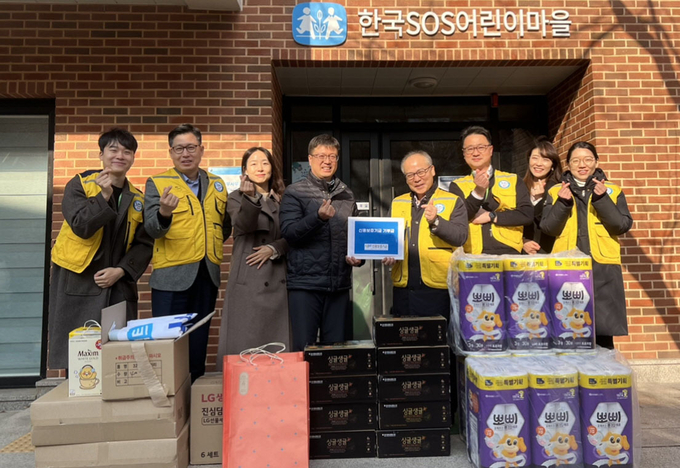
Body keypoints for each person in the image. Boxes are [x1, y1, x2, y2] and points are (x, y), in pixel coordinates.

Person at [48, 128, 153, 370]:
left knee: (117, 359)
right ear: (101, 154)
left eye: (127, 151)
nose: (120, 156)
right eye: (113, 150)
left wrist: (122, 270)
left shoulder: (137, 198)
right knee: (80, 360)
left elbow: (145, 243)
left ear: (133, 158)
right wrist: (103, 196)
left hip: (117, 284)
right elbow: (81, 225)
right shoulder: (80, 184)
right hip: (80, 280)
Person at [144, 124, 232, 381]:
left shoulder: (217, 184)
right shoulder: (158, 183)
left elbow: (223, 226)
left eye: (191, 147)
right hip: (171, 277)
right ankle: (169, 397)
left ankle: (194, 392)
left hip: (207, 274)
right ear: (171, 153)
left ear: (201, 150)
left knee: (198, 342)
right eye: (179, 149)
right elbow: (151, 229)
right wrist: (164, 213)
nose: (185, 154)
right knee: (167, 344)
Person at [540, 141, 633, 349]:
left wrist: (602, 199)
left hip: (602, 267)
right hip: (567, 268)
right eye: (576, 160)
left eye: (588, 159)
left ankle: (604, 368)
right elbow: (548, 228)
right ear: (568, 164)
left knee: (603, 332)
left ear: (596, 162)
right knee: (568, 329)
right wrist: (562, 203)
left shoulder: (612, 190)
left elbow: (621, 225)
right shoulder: (555, 191)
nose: (582, 165)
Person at [279, 134, 362, 352]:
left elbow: (355, 236)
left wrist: (359, 257)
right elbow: (289, 233)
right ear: (310, 159)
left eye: (332, 156)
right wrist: (318, 218)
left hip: (338, 286)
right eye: (321, 156)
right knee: (304, 350)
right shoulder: (294, 192)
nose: (327, 161)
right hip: (305, 286)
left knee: (335, 354)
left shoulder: (346, 194)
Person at [216, 147, 290, 365]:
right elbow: (244, 226)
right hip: (249, 278)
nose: (260, 168)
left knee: (278, 345)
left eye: (265, 163)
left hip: (278, 275)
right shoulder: (235, 197)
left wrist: (275, 248)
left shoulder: (284, 199)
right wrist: (250, 199)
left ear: (272, 168)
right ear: (245, 170)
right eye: (254, 163)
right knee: (245, 343)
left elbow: (295, 234)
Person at [382, 151, 468, 317]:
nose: (417, 179)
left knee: (435, 333)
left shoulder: (452, 201)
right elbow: (388, 239)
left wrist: (436, 221)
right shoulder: (397, 202)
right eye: (410, 175)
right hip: (404, 290)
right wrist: (388, 254)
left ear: (432, 170)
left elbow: (460, 236)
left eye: (421, 172)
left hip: (438, 290)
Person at [448, 126, 533, 254]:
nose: (475, 153)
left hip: (509, 252)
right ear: (464, 154)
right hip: (472, 254)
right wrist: (478, 193)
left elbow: (526, 214)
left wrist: (491, 216)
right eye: (470, 149)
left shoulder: (513, 180)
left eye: (481, 147)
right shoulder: (457, 185)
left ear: (491, 150)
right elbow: (458, 218)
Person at [521, 138, 563, 254]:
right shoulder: (518, 186)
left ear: (553, 164)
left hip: (549, 251)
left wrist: (538, 200)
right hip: (521, 254)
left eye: (545, 159)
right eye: (535, 158)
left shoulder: (558, 189)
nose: (538, 163)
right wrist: (522, 241)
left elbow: (553, 224)